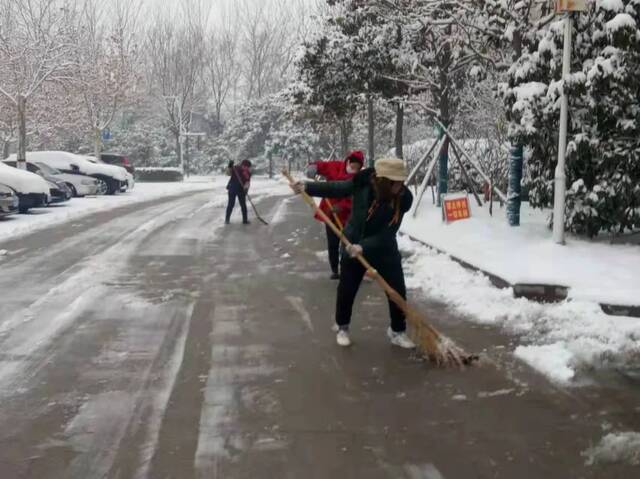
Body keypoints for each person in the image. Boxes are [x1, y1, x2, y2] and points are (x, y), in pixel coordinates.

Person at [291, 156, 415, 349]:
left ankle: (397, 331)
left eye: (401, 181)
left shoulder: (403, 198)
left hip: (383, 247)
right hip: (352, 241)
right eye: (396, 182)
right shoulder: (362, 183)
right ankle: (343, 327)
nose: (400, 185)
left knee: (397, 290)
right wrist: (307, 187)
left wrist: (364, 247)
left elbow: (388, 232)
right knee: (347, 288)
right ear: (383, 180)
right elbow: (336, 188)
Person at [306, 151, 364, 279]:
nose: (353, 170)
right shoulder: (335, 166)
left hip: (348, 217)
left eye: (357, 169)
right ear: (348, 162)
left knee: (347, 243)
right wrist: (313, 167)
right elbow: (321, 166)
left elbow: (355, 198)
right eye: (352, 166)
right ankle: (334, 270)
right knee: (332, 243)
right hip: (330, 213)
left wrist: (342, 206)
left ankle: (348, 269)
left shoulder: (359, 178)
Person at [226, 159, 252, 224]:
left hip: (241, 190)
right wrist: (230, 166)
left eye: (247, 167)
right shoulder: (235, 168)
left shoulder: (248, 173)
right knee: (231, 204)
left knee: (243, 205)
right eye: (245, 166)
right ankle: (227, 219)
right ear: (242, 165)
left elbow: (247, 182)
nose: (246, 168)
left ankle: (245, 220)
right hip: (232, 188)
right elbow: (228, 173)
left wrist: (246, 189)